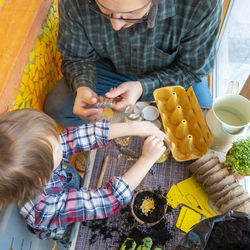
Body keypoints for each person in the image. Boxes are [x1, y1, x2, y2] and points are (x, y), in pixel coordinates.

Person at [44, 0, 222, 127]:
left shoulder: (202, 4)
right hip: (109, 68)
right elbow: (77, 57)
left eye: (130, 15)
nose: (115, 25)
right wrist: (83, 87)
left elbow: (192, 70)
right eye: (104, 10)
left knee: (202, 125)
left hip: (173, 74)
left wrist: (143, 87)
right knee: (58, 107)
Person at [0, 108, 167, 240]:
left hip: (63, 186)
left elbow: (74, 137)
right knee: (79, 231)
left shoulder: (37, 163)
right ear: (41, 177)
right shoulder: (46, 208)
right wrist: (147, 158)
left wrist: (136, 127)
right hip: (64, 225)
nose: (61, 140)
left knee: (76, 181)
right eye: (57, 147)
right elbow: (108, 199)